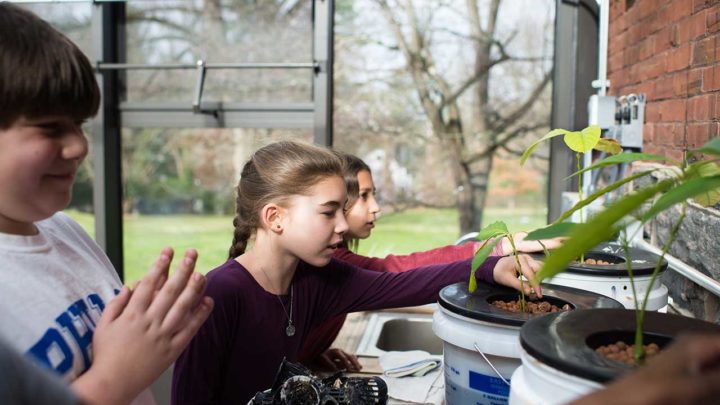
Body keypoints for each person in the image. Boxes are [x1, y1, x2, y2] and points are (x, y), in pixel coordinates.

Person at [171, 141, 543, 404]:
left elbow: (405, 283)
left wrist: (493, 266)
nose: (341, 225)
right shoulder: (219, 295)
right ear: (275, 218)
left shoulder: (318, 281)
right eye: (328, 212)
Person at [0, 3, 214, 404]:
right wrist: (113, 379)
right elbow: (121, 373)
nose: (79, 146)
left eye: (79, 124)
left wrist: (152, 336)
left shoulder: (63, 228)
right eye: (50, 128)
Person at [299, 151, 564, 371]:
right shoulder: (331, 265)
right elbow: (396, 272)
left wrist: (309, 354)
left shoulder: (332, 261)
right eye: (363, 196)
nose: (376, 206)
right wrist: (499, 248)